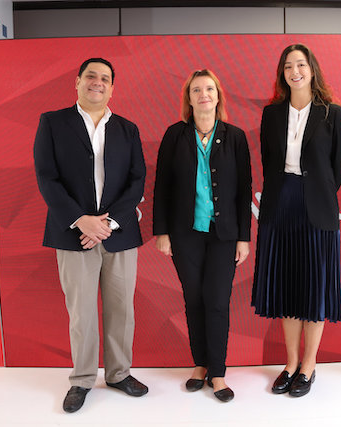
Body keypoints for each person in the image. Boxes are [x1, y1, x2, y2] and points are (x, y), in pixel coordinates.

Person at [33, 58, 148, 413]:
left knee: (121, 309)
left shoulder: (128, 129)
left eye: (105, 79)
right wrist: (81, 220)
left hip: (120, 233)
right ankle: (82, 380)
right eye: (91, 77)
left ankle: (118, 374)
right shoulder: (53, 123)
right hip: (72, 235)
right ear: (78, 82)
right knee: (81, 312)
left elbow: (137, 181)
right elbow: (46, 177)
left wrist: (108, 224)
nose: (97, 83)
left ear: (112, 87)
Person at [251, 44, 341, 397]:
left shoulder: (331, 113)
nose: (295, 71)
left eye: (301, 64)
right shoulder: (271, 114)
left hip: (317, 207)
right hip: (280, 204)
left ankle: (309, 365)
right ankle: (290, 363)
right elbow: (267, 159)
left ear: (312, 69)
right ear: (282, 73)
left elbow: (338, 167)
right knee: (288, 287)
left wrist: (316, 193)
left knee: (314, 287)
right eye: (288, 66)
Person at [153, 69, 252, 403]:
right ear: (189, 98)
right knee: (193, 299)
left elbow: (244, 189)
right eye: (197, 90)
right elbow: (162, 186)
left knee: (217, 302)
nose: (204, 94)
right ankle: (200, 365)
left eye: (209, 88)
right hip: (185, 234)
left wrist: (243, 237)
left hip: (224, 235)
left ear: (218, 96)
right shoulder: (174, 135)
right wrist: (162, 232)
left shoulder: (235, 136)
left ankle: (218, 372)